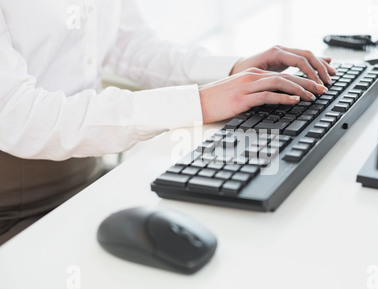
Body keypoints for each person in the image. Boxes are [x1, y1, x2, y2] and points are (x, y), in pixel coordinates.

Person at [0, 0, 336, 245]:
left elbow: (130, 45)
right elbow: (16, 113)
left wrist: (233, 69)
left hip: (88, 178)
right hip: (13, 208)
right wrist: (199, 102)